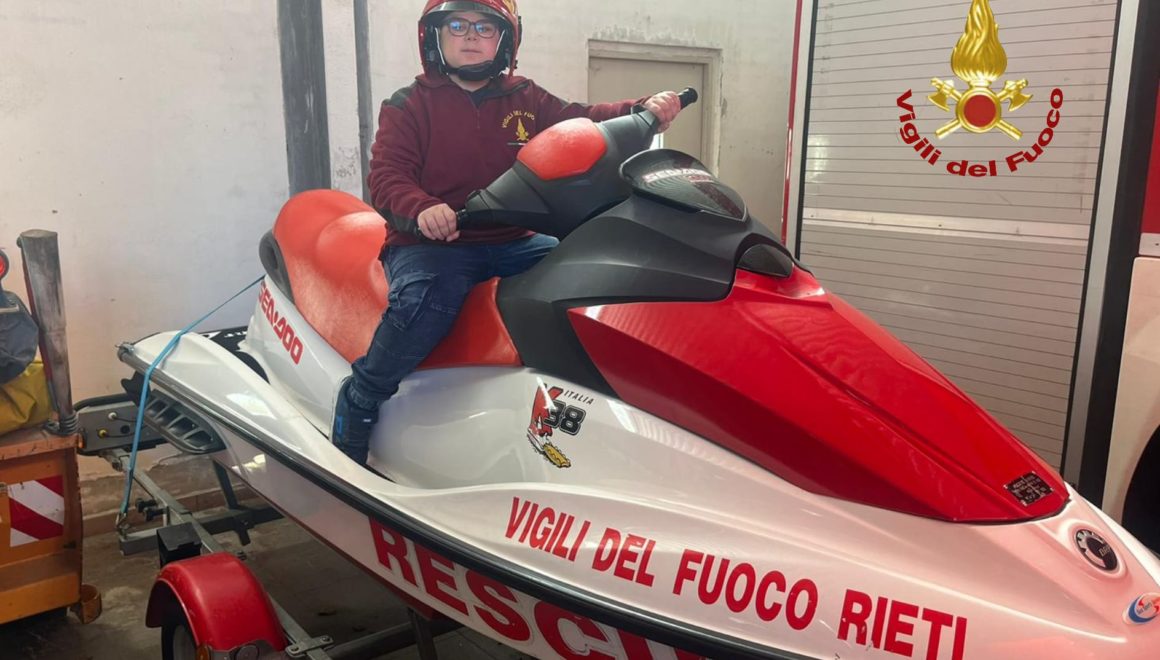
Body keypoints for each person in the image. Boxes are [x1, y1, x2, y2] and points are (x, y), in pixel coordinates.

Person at [330, 0, 683, 465]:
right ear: (434, 36)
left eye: (485, 27)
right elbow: (386, 177)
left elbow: (582, 121)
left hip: (513, 239)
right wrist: (423, 208)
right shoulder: (408, 104)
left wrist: (641, 110)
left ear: (504, 40)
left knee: (588, 274)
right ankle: (362, 395)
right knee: (425, 301)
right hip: (433, 244)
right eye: (457, 25)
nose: (470, 35)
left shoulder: (526, 98)